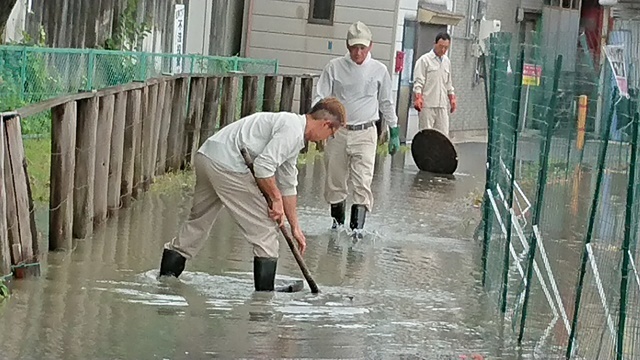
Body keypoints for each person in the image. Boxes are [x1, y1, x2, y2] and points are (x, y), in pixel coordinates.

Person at [157, 97, 347, 292]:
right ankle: (264, 300)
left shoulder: (291, 130)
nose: (325, 139)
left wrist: (295, 227)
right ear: (326, 124)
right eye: (331, 134)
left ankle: (165, 281)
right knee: (265, 230)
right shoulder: (292, 130)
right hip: (228, 165)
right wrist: (275, 199)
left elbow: (288, 185)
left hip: (208, 157)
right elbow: (263, 167)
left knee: (198, 222)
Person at [313, 21, 400, 233]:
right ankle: (337, 226)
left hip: (366, 131)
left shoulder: (379, 70)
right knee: (335, 182)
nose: (358, 52)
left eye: (362, 47)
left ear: (370, 46)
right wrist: (317, 125)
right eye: (354, 47)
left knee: (362, 182)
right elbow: (320, 97)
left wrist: (394, 129)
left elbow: (386, 101)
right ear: (347, 46)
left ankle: (357, 232)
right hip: (338, 132)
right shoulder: (334, 67)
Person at [412, 32, 457, 138]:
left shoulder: (447, 62)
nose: (443, 50)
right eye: (441, 46)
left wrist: (452, 99)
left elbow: (449, 83)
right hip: (427, 104)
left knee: (443, 135)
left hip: (442, 105)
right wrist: (418, 98)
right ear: (435, 44)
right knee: (426, 134)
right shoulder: (424, 60)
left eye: (446, 47)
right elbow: (418, 82)